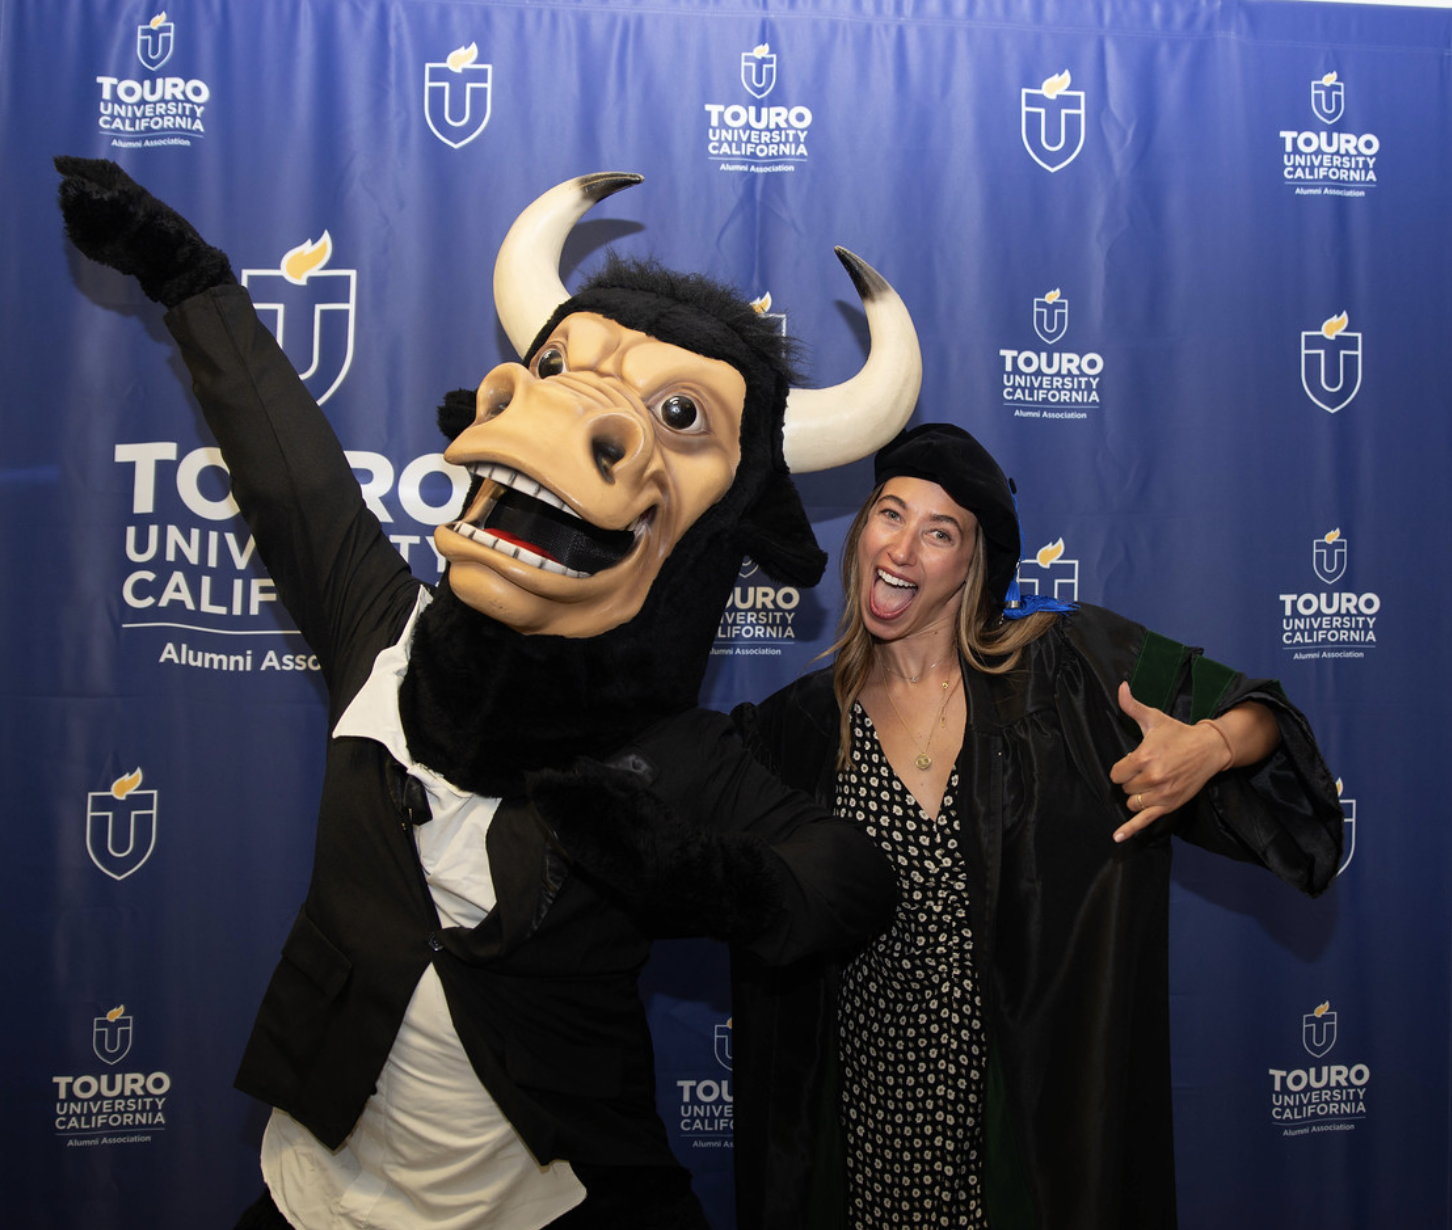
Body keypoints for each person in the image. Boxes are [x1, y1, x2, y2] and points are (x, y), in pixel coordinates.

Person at [730, 422, 1343, 1230]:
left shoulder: (1070, 674)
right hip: (867, 1125)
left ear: (973, 564)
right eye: (890, 514)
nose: (903, 550)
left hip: (1023, 1128)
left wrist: (1212, 746)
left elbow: (1264, 713)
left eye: (939, 532)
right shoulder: (799, 728)